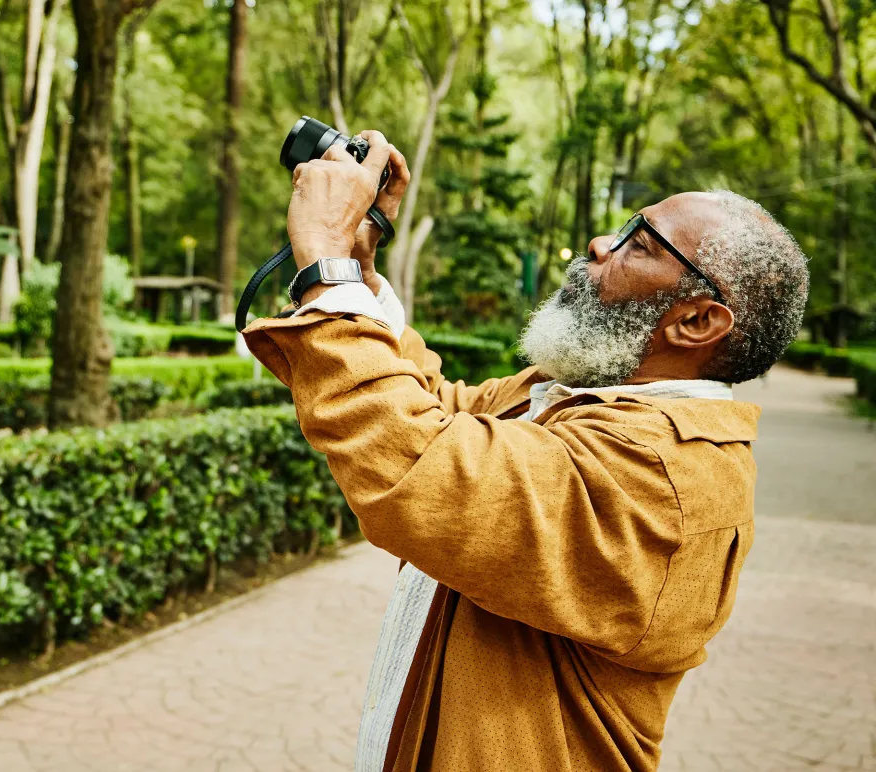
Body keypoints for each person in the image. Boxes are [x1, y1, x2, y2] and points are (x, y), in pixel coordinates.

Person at [241, 131, 809, 772]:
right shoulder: (574, 398)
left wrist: (323, 263)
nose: (600, 243)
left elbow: (419, 464)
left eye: (638, 244)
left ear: (696, 321)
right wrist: (359, 265)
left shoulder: (665, 471)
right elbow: (435, 411)